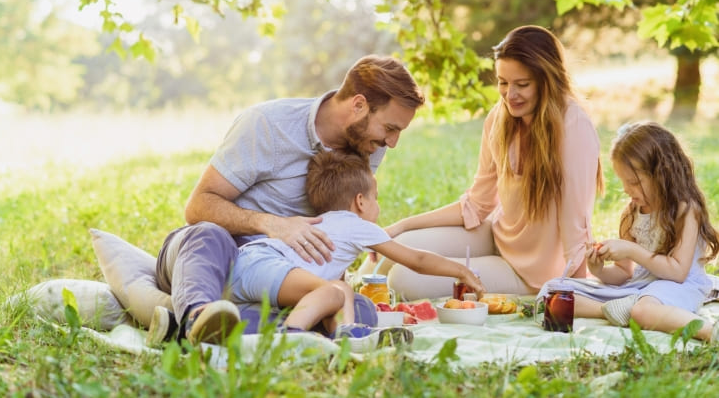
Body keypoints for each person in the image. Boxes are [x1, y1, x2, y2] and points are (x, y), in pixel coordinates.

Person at [151, 55, 426, 345]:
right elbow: (198, 207)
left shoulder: (368, 144)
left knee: (358, 310)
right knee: (209, 234)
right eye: (390, 128)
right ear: (358, 105)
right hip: (215, 258)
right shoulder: (268, 124)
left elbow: (339, 222)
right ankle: (197, 313)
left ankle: (195, 329)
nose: (392, 142)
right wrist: (272, 224)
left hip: (279, 276)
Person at [358, 25, 603, 299]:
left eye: (522, 85)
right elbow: (477, 204)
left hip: (533, 273)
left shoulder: (573, 125)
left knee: (405, 280)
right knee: (398, 246)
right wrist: (402, 225)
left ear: (547, 81)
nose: (510, 95)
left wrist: (576, 294)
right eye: (503, 82)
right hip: (497, 238)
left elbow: (575, 222)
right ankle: (346, 289)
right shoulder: (500, 118)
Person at [222, 150, 484, 350]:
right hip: (265, 263)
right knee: (332, 292)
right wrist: (460, 270)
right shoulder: (355, 224)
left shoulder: (327, 223)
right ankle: (291, 339)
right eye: (376, 198)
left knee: (342, 290)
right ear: (360, 201)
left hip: (245, 268)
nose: (378, 206)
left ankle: (346, 336)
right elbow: (416, 259)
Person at [538, 121, 719, 342]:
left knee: (643, 311)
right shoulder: (631, 214)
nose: (626, 189)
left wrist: (631, 250)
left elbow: (678, 272)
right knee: (553, 291)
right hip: (640, 287)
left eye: (633, 182)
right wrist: (599, 270)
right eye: (624, 182)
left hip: (680, 286)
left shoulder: (686, 210)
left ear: (662, 174)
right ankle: (610, 309)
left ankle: (710, 332)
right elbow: (625, 274)